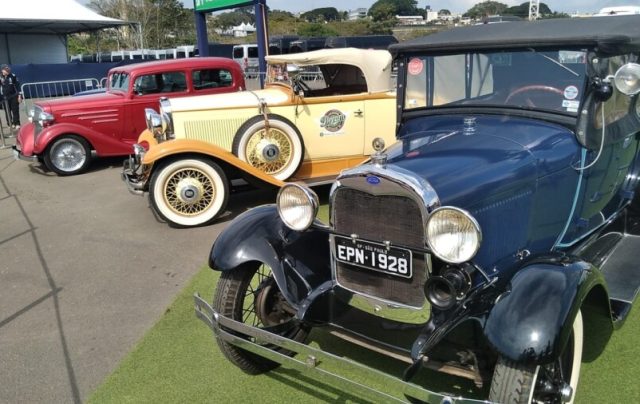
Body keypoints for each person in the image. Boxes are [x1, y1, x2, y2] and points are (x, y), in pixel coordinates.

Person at [1, 64, 22, 129]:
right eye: (6, 70)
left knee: (15, 110)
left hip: (13, 96)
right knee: (7, 111)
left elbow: (18, 86)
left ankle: (17, 123)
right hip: (4, 97)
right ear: (2, 70)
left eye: (8, 69)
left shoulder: (13, 76)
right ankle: (10, 123)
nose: (8, 71)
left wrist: (19, 96)